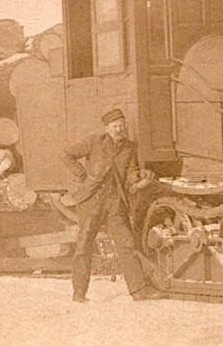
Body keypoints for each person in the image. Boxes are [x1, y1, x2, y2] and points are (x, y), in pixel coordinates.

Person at [61, 107, 161, 302]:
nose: (119, 130)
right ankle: (79, 293)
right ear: (107, 128)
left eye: (122, 126)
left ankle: (139, 291)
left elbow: (130, 174)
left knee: (127, 245)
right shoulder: (94, 142)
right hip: (92, 201)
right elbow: (66, 154)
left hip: (115, 202)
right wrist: (84, 176)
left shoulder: (130, 148)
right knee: (84, 246)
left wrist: (139, 175)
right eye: (115, 126)